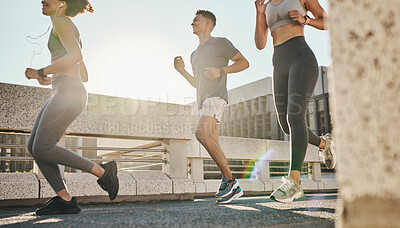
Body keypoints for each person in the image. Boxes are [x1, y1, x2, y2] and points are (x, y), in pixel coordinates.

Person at [25, 0, 118, 215]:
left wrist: (41, 71)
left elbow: (76, 57)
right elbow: (83, 74)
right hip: (64, 89)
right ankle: (64, 199)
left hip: (69, 92)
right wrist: (51, 78)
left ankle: (103, 172)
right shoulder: (67, 26)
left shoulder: (61, 22)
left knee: (42, 146)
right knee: (34, 146)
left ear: (63, 3)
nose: (43, 0)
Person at [254, 0, 336, 203]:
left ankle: (294, 182)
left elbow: (328, 21)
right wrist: (259, 13)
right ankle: (324, 143)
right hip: (278, 63)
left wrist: (305, 20)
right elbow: (260, 44)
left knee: (295, 117)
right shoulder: (266, 5)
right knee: (286, 124)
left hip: (301, 58)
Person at [174, 10, 249, 204]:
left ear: (208, 24)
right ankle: (233, 186)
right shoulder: (194, 54)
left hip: (216, 97)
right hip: (202, 100)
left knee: (201, 134)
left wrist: (221, 70)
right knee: (212, 141)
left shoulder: (221, 42)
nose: (192, 23)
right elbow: (197, 83)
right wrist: (182, 72)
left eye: (196, 20)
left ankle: (230, 181)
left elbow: (244, 63)